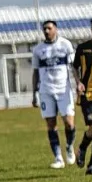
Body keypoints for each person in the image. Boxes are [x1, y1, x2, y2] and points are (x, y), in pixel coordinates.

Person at [31, 20, 76, 169]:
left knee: (69, 123)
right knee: (51, 124)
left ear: (55, 29)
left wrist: (79, 84)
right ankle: (58, 158)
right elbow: (35, 72)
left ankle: (69, 147)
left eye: (49, 28)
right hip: (46, 91)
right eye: (44, 29)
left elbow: (74, 67)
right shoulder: (38, 50)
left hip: (63, 90)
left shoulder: (65, 45)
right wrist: (34, 94)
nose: (46, 31)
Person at [74, 16, 92, 175]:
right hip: (89, 95)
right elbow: (74, 68)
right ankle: (82, 147)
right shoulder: (83, 48)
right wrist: (78, 82)